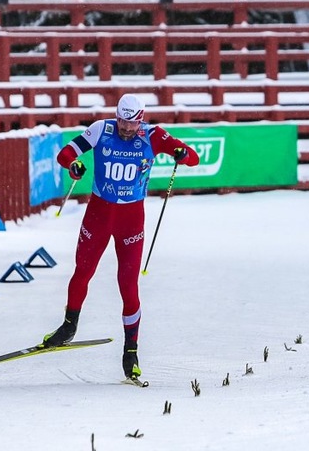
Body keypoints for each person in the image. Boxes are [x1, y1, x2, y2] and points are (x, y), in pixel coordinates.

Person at [42, 93, 199, 383]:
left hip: (131, 220)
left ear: (141, 119)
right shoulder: (102, 129)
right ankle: (68, 326)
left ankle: (131, 351)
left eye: (132, 123)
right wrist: (73, 165)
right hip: (99, 215)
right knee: (82, 272)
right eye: (122, 121)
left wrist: (181, 154)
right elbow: (66, 154)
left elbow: (192, 157)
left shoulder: (154, 135)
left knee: (128, 284)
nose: (127, 128)